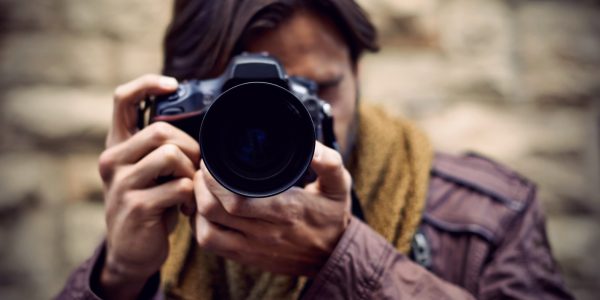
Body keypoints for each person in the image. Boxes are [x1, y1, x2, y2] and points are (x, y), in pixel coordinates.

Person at [57, 0, 574, 299]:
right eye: (245, 104)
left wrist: (346, 259)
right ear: (182, 103)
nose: (284, 122)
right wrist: (121, 276)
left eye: (316, 90)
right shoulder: (162, 223)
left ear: (358, 72)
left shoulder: (491, 217)